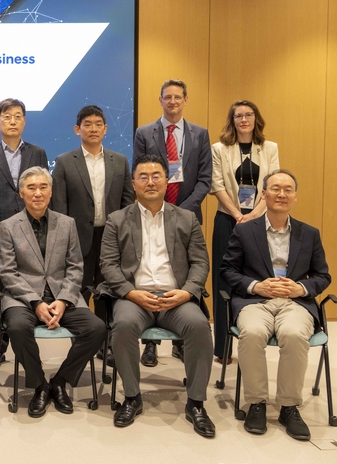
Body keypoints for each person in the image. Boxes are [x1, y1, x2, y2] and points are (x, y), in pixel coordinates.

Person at [99, 154, 215, 438]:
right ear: (133, 183)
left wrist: (186, 292)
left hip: (176, 298)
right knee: (123, 325)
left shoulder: (187, 218)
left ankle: (196, 403)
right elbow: (108, 265)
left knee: (199, 326)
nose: (150, 182)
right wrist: (131, 293)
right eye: (143, 177)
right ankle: (132, 397)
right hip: (134, 298)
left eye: (156, 176)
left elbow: (201, 262)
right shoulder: (117, 220)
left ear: (166, 181)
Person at [220, 170, 330, 441]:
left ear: (295, 196)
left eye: (288, 189)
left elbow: (323, 275)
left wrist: (300, 288)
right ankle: (257, 403)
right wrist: (256, 286)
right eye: (276, 189)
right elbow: (227, 270)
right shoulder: (244, 231)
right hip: (255, 301)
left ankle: (289, 407)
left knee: (293, 334)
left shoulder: (309, 233)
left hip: (295, 303)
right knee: (253, 333)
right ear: (264, 194)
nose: (282, 194)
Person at [0, 166, 106, 417]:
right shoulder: (8, 226)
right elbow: (8, 272)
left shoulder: (67, 223)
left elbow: (76, 266)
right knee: (17, 327)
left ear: (51, 191)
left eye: (43, 187)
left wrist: (64, 300)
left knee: (96, 328)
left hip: (62, 296)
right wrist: (35, 302)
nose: (38, 193)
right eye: (31, 188)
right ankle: (40, 385)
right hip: (23, 298)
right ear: (21, 193)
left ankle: (60, 381)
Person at [133, 79, 212, 366]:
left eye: (178, 97)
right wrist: (159, 206)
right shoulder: (144, 132)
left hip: (186, 216)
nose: (173, 101)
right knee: (153, 268)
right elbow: (140, 172)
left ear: (185, 100)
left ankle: (181, 340)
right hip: (151, 213)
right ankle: (150, 345)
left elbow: (205, 179)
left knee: (182, 271)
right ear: (161, 100)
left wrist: (180, 211)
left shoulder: (200, 134)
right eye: (168, 97)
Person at [51, 105, 134, 365]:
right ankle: (83, 342)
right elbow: (59, 206)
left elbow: (127, 203)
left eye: (98, 124)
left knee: (107, 292)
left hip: (110, 238)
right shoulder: (65, 161)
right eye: (87, 124)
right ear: (78, 129)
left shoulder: (120, 161)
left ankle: (107, 345)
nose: (93, 128)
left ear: (106, 129)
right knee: (79, 291)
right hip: (77, 239)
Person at [0, 98, 48, 370]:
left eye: (17, 116)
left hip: (31, 231)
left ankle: (26, 341)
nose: (12, 121)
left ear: (24, 121)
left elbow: (43, 191)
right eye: (7, 117)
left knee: (29, 284)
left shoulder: (37, 152)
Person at [210, 101, 279, 365]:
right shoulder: (219, 148)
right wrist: (238, 214)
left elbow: (272, 185)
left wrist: (253, 214)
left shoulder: (270, 148)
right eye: (238, 115)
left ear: (255, 118)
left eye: (248, 114)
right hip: (227, 219)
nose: (243, 119)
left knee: (256, 279)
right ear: (232, 120)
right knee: (223, 282)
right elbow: (217, 185)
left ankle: (253, 342)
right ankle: (223, 348)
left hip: (259, 221)